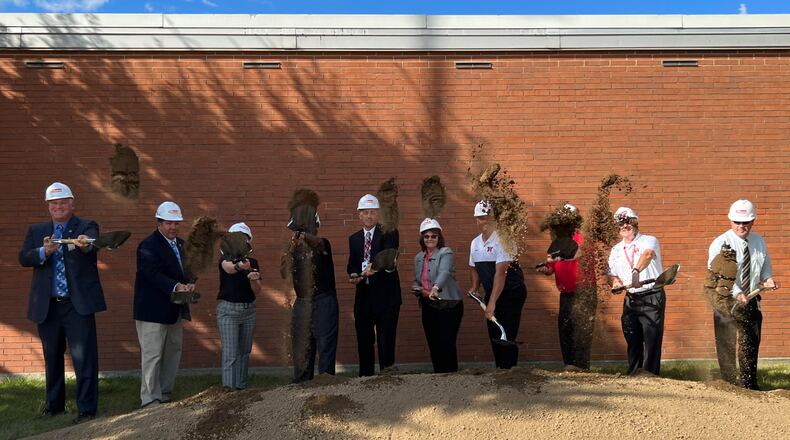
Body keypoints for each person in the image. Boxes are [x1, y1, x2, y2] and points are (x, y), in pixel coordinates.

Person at [19, 182, 106, 423]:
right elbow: (23, 257)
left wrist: (85, 243)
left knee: (84, 357)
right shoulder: (37, 230)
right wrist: (42, 253)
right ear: (48, 206)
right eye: (54, 203)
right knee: (52, 357)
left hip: (76, 305)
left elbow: (92, 242)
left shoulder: (86, 226)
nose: (58, 207)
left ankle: (87, 409)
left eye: (63, 202)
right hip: (48, 306)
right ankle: (54, 406)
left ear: (72, 204)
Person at [708, 199, 776, 389]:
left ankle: (749, 385)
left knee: (750, 343)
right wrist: (737, 292)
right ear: (730, 220)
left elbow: (765, 264)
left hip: (752, 299)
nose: (741, 226)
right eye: (737, 222)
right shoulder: (721, 243)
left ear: (753, 221)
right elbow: (720, 274)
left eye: (745, 222)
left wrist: (767, 278)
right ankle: (729, 385)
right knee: (726, 344)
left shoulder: (759, 241)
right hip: (726, 300)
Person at [133, 201, 195, 408]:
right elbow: (152, 275)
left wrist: (190, 282)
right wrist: (177, 286)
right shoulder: (148, 246)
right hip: (151, 311)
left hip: (174, 309)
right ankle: (150, 399)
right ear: (159, 223)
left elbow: (190, 268)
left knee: (172, 353)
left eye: (176, 223)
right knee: (152, 355)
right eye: (169, 223)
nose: (173, 227)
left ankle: (165, 393)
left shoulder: (182, 245)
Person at [468, 201, 527, 369]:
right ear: (476, 221)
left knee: (506, 331)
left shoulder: (504, 240)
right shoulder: (475, 243)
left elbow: (500, 275)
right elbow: (473, 267)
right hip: (493, 291)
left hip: (511, 292)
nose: (484, 222)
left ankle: (510, 370)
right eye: (480, 218)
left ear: (494, 220)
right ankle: (500, 369)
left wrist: (492, 303)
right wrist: (475, 287)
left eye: (488, 218)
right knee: (494, 330)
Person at [347, 194, 401, 376]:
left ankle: (387, 378)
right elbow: (352, 264)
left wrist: (374, 268)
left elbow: (388, 257)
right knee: (364, 339)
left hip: (386, 296)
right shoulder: (354, 239)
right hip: (364, 297)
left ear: (378, 214)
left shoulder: (389, 232)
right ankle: (365, 379)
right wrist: (354, 275)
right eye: (365, 212)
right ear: (359, 215)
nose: (369, 216)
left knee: (386, 340)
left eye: (372, 212)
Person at [608, 207, 665, 375]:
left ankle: (650, 376)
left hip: (651, 295)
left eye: (628, 222)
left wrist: (636, 271)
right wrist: (615, 282)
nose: (625, 226)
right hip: (631, 298)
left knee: (651, 339)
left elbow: (647, 255)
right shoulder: (616, 250)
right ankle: (634, 375)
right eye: (621, 223)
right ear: (616, 227)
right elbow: (611, 274)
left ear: (635, 222)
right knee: (632, 338)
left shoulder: (649, 240)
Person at [286, 208, 340, 383]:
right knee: (302, 348)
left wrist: (303, 234)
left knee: (325, 346)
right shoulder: (293, 248)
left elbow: (318, 244)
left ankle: (325, 386)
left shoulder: (323, 243)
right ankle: (301, 386)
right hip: (302, 303)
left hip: (323, 301)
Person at [536, 203, 587, 369]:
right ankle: (569, 365)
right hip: (565, 293)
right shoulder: (557, 241)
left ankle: (582, 367)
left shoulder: (581, 238)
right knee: (565, 328)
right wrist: (546, 268)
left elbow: (578, 253)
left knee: (581, 329)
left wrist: (561, 257)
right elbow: (551, 266)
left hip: (583, 292)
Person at [412, 218, 464, 373]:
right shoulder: (418, 257)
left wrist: (435, 288)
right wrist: (416, 288)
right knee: (433, 342)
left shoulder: (445, 252)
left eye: (433, 236)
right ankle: (439, 377)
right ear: (422, 238)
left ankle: (451, 376)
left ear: (439, 237)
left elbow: (445, 272)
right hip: (428, 304)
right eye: (426, 236)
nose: (430, 239)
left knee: (446, 342)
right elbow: (417, 279)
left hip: (449, 304)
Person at [216, 222, 262, 390]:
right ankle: (228, 390)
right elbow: (228, 268)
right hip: (228, 311)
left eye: (244, 239)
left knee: (244, 352)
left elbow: (257, 291)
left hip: (248, 310)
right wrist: (239, 266)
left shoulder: (253, 262)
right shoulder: (224, 259)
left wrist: (254, 279)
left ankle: (242, 389)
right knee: (230, 354)